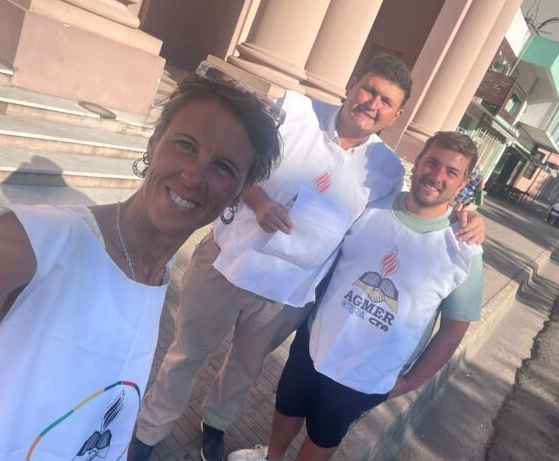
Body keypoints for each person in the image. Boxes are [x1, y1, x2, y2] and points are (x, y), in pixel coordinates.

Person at [130, 55, 486, 461]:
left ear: (396, 115)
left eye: (386, 101)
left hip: (287, 295)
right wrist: (259, 202)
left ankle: (214, 425)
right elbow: (232, 164)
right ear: (351, 84)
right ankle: (150, 430)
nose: (373, 104)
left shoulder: (385, 168)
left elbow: (410, 213)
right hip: (227, 264)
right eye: (369, 90)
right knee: (186, 354)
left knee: (245, 369)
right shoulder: (294, 112)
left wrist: (468, 216)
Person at [0, 62, 282, 461]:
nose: (193, 175)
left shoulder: (156, 273)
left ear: (239, 193)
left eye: (223, 167)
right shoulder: (35, 241)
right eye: (185, 145)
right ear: (153, 144)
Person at [228, 131, 484, 461]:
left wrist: (410, 382)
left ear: (463, 183)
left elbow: (454, 329)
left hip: (366, 371)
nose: (437, 176)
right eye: (432, 163)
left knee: (323, 435)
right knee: (288, 406)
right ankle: (271, 457)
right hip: (316, 341)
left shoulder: (463, 248)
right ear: (418, 161)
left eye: (451, 171)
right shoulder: (370, 207)